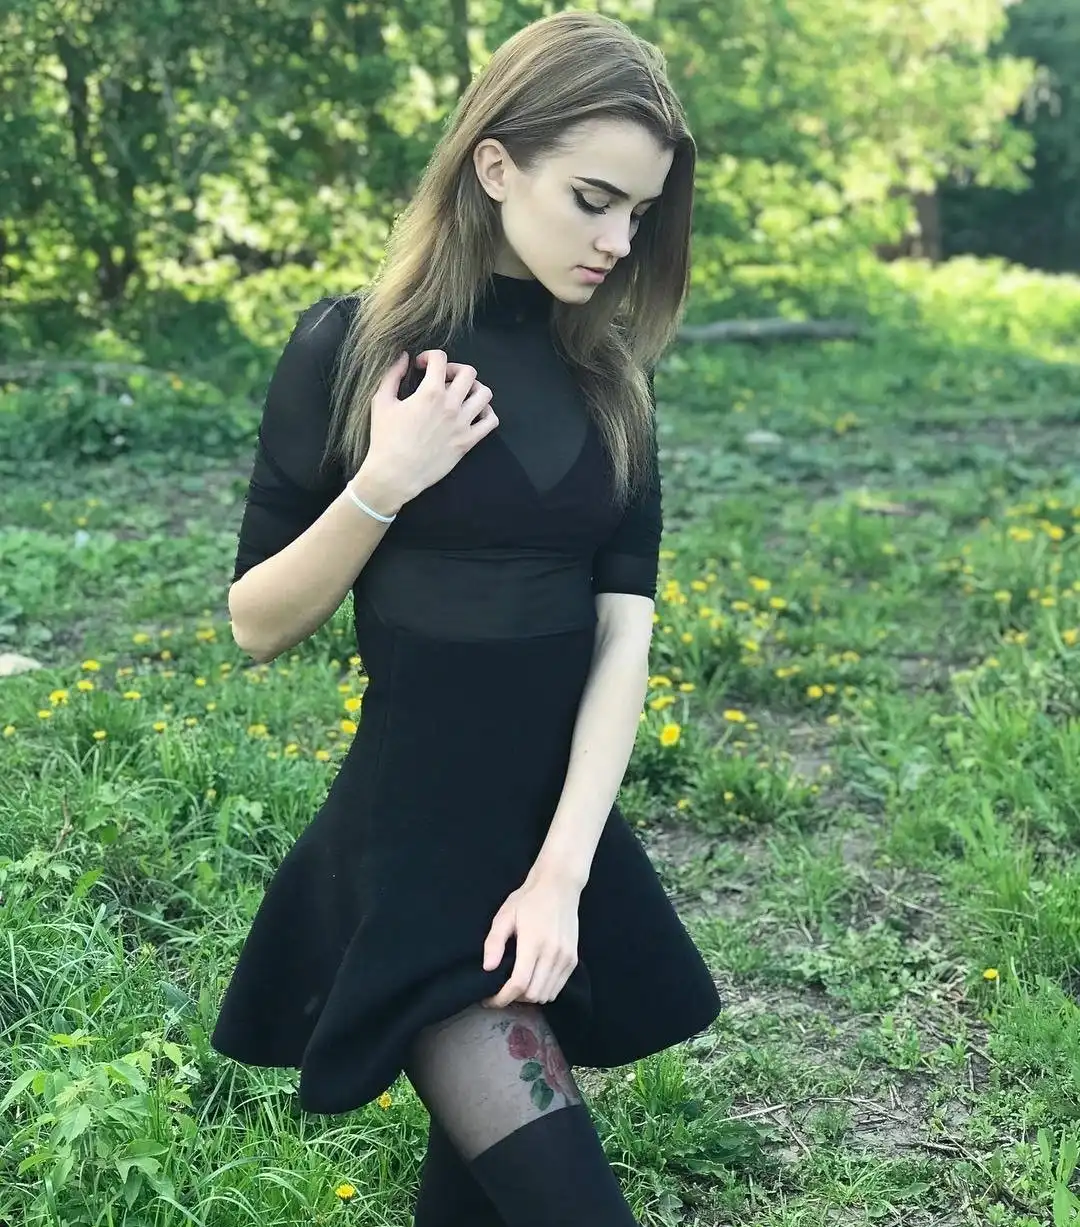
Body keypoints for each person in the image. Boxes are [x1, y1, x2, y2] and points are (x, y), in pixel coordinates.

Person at [210, 9, 722, 1224]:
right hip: (416, 859)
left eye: (640, 213)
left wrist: (560, 875)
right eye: (593, 199)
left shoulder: (615, 376)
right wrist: (385, 481)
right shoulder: (353, 348)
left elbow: (623, 635)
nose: (618, 241)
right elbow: (255, 623)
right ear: (496, 165)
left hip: (549, 843)